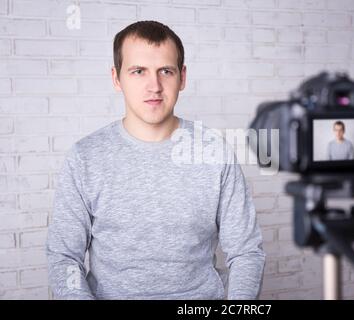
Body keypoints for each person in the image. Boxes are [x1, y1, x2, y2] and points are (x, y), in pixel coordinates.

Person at [46, 21, 265, 300]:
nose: (155, 86)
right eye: (138, 71)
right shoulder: (84, 157)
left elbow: (246, 251)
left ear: (182, 77)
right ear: (116, 78)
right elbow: (64, 257)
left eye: (166, 71)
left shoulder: (216, 153)